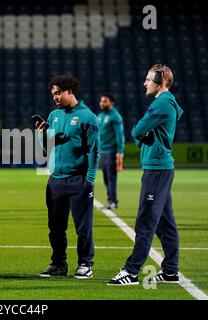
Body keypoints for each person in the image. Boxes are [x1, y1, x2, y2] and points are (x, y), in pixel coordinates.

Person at [108, 64, 183, 285]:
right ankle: (170, 271)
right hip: (159, 168)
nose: (145, 83)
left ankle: (131, 271)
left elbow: (137, 130)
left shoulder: (161, 103)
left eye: (149, 79)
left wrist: (143, 135)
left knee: (146, 222)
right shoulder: (166, 103)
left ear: (161, 81)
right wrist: (146, 135)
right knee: (164, 223)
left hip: (157, 170)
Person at [36, 74, 100, 279]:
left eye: (58, 93)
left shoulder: (88, 117)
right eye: (53, 94)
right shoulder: (54, 115)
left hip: (77, 180)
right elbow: (48, 149)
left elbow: (94, 150)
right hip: (55, 180)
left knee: (83, 227)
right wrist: (41, 135)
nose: (54, 97)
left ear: (70, 91)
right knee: (55, 228)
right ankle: (58, 264)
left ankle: (85, 264)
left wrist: (89, 179)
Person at [97, 93, 125, 210]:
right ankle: (111, 200)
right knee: (105, 177)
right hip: (102, 151)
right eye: (101, 101)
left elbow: (120, 135)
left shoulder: (115, 116)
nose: (102, 103)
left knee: (111, 177)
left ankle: (113, 201)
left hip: (111, 151)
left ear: (111, 103)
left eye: (105, 101)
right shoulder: (100, 115)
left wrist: (120, 151)